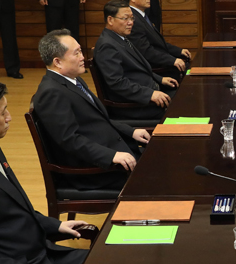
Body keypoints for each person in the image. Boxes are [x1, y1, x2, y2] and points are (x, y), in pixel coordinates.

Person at [0, 76, 88, 264]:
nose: (9, 117)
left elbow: (12, 211)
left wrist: (57, 225)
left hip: (41, 250)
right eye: (3, 112)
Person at [33, 29, 150, 191]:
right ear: (57, 62)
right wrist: (111, 156)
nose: (83, 57)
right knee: (159, 176)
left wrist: (131, 132)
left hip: (114, 150)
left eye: (81, 51)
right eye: (77, 53)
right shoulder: (51, 92)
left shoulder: (73, 80)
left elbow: (99, 119)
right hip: (93, 171)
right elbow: (70, 140)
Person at [93, 0, 178, 121]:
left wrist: (160, 79)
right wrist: (150, 95)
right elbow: (117, 83)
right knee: (184, 104)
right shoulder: (107, 45)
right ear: (110, 20)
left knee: (185, 94)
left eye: (132, 18)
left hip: (147, 92)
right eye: (125, 18)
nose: (130, 23)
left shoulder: (120, 38)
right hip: (133, 105)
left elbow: (138, 68)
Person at [125, 0, 191, 81]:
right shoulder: (133, 20)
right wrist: (172, 60)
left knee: (192, 68)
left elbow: (158, 43)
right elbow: (146, 52)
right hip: (154, 71)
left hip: (161, 62)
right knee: (191, 74)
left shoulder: (142, 16)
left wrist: (179, 51)